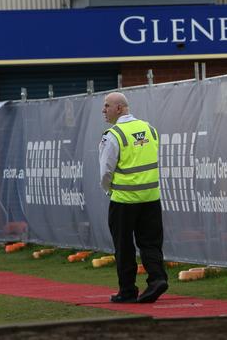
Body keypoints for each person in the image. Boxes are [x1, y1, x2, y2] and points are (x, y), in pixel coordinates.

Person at [99, 92, 168, 303]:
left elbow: (105, 171)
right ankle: (157, 279)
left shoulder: (114, 135)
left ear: (119, 108)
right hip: (151, 198)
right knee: (151, 243)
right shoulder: (150, 130)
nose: (104, 110)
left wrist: (109, 190)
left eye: (107, 105)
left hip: (124, 200)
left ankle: (127, 291)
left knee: (124, 246)